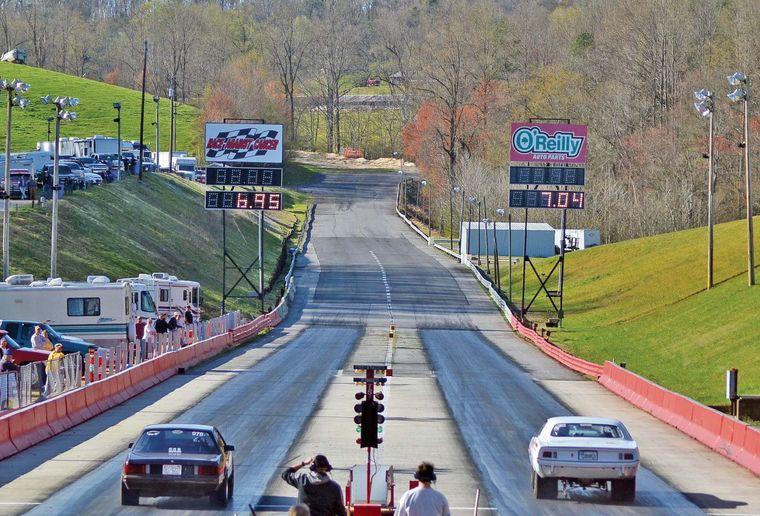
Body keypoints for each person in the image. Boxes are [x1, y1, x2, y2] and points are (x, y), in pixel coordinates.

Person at [281, 455, 346, 516]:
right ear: (327, 469)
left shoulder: (301, 480)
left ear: (312, 467)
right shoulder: (335, 487)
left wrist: (303, 463)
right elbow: (341, 512)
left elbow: (285, 474)